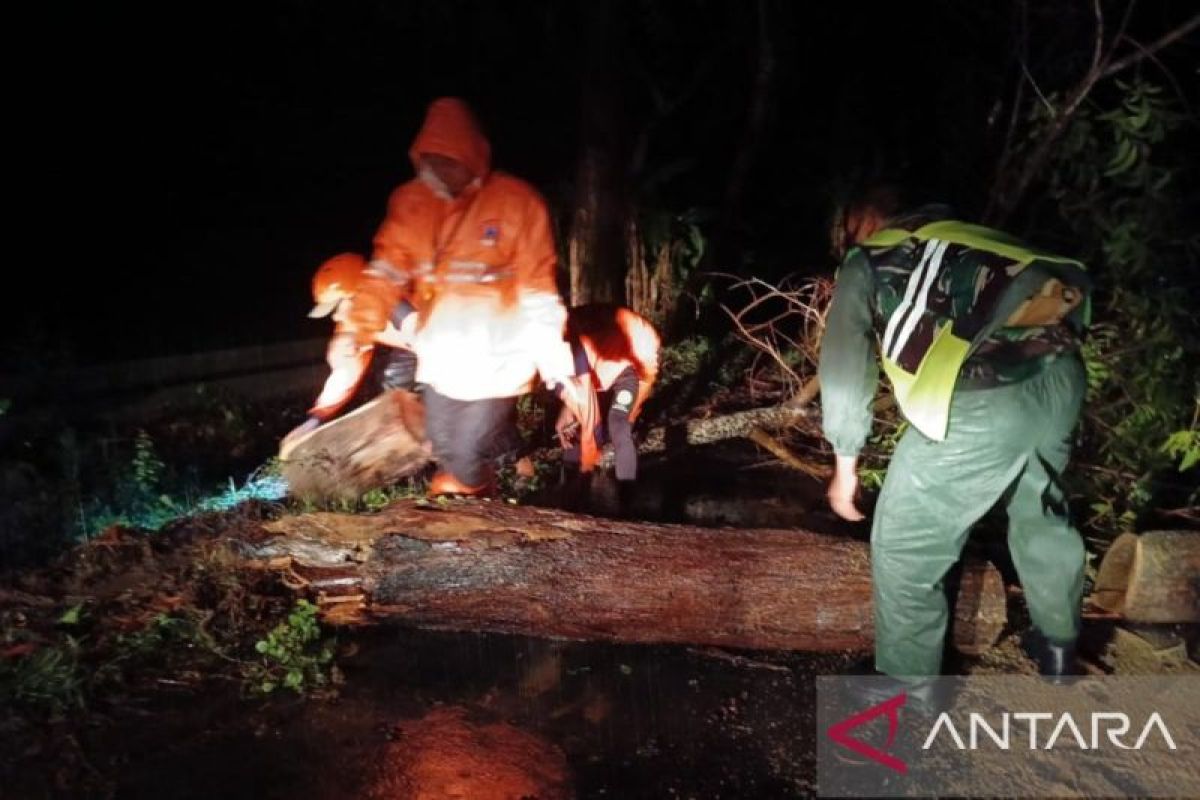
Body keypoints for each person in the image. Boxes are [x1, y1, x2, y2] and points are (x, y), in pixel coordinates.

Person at [818, 192, 1092, 685]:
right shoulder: (973, 239)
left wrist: (845, 463)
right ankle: (1059, 649)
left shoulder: (872, 258)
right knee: (1039, 504)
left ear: (862, 222)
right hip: (1062, 378)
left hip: (986, 398)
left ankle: (906, 686)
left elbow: (844, 364)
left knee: (905, 545)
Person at [348, 97, 594, 496]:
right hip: (443, 362)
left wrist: (557, 367)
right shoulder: (413, 204)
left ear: (472, 155)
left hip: (500, 364)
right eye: (431, 160)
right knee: (442, 445)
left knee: (466, 451)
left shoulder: (517, 203)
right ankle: (484, 506)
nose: (440, 170)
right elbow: (385, 272)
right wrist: (353, 331)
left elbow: (539, 295)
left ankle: (481, 503)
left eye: (448, 159)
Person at [280, 252, 417, 456]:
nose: (335, 315)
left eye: (337, 306)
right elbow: (346, 371)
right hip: (412, 349)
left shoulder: (398, 302)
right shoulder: (351, 324)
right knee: (393, 385)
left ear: (358, 293)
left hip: (456, 343)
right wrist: (316, 418)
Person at [555, 304, 661, 482]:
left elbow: (589, 416)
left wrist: (632, 413)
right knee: (574, 430)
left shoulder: (640, 339)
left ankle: (625, 490)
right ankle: (571, 485)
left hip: (628, 371)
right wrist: (568, 409)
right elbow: (577, 390)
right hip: (596, 376)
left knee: (619, 424)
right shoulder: (556, 350)